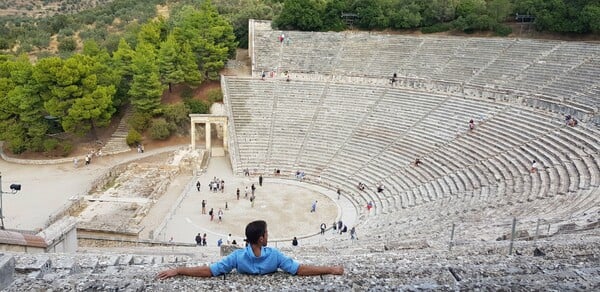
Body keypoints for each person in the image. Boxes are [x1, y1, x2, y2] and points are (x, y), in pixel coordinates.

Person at [156, 220, 344, 279]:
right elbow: (299, 270)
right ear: (261, 238)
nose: (268, 236)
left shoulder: (237, 257)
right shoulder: (274, 256)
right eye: (267, 233)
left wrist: (180, 270)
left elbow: (210, 270)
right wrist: (330, 269)